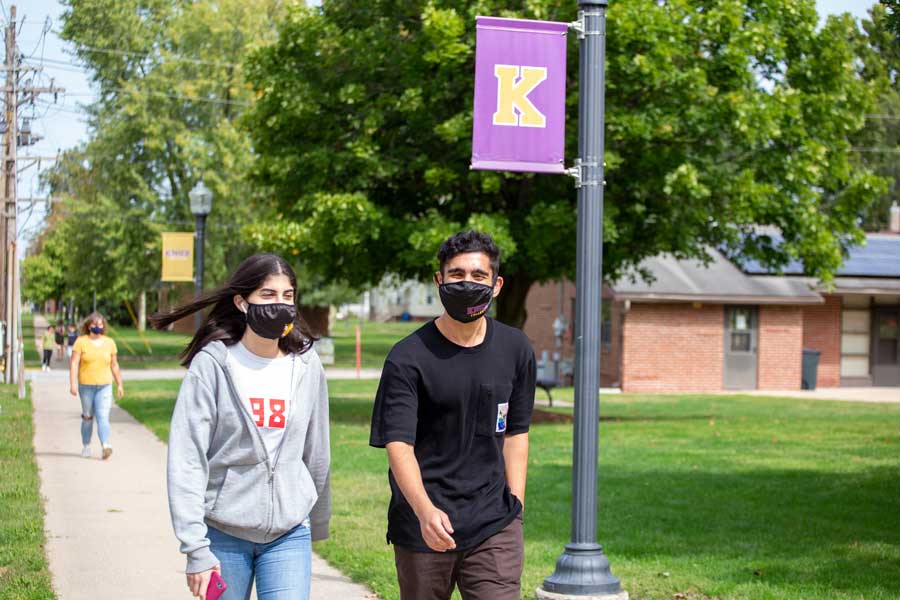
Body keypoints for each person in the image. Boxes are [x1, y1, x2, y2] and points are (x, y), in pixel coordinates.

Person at [150, 253, 331, 600]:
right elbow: (187, 459)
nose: (279, 304)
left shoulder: (306, 365)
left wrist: (317, 520)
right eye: (267, 295)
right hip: (223, 534)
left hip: (288, 532)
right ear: (241, 302)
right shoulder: (213, 365)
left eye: (287, 296)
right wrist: (195, 550)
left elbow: (317, 449)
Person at [369, 231, 536, 600]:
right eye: (456, 274)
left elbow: (516, 432)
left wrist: (516, 503)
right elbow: (398, 443)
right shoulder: (407, 357)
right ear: (439, 280)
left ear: (496, 285)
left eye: (478, 276)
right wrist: (425, 510)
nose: (467, 283)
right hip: (424, 524)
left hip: (495, 522)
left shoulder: (516, 348)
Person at [70, 313, 124, 459]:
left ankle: (105, 445)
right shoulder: (81, 342)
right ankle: (86, 445)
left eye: (100, 325)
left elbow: (114, 365)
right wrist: (73, 384)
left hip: (104, 386)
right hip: (86, 386)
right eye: (94, 324)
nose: (97, 327)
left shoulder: (110, 343)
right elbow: (74, 363)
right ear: (88, 326)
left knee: (103, 416)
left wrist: (119, 384)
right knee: (87, 417)